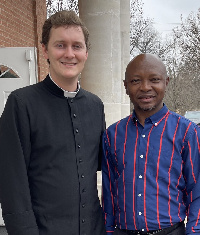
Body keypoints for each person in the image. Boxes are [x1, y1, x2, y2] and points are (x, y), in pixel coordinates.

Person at [0, 10, 106, 235]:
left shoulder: (95, 105)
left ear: (86, 52)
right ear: (45, 50)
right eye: (60, 45)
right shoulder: (21, 104)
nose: (69, 54)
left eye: (77, 46)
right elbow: (12, 183)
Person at [102, 53, 200, 235]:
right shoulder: (113, 135)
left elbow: (197, 190)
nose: (145, 87)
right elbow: (109, 191)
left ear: (166, 82)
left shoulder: (187, 132)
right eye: (136, 81)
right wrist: (107, 230)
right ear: (126, 86)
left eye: (154, 79)